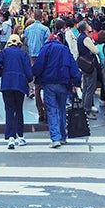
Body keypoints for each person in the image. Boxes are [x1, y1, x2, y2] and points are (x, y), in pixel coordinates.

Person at [33, 20, 80, 148]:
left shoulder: (46, 48)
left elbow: (38, 66)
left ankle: (55, 138)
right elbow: (73, 67)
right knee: (62, 109)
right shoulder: (64, 49)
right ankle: (63, 136)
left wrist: (35, 76)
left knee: (52, 110)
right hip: (63, 83)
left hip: (49, 83)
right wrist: (76, 83)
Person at [0, 33, 32, 150]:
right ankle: (20, 136)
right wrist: (29, 79)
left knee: (9, 109)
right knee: (19, 109)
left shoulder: (4, 52)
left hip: (7, 83)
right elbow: (28, 71)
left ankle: (10, 136)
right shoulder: (23, 53)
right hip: (20, 84)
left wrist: (1, 73)